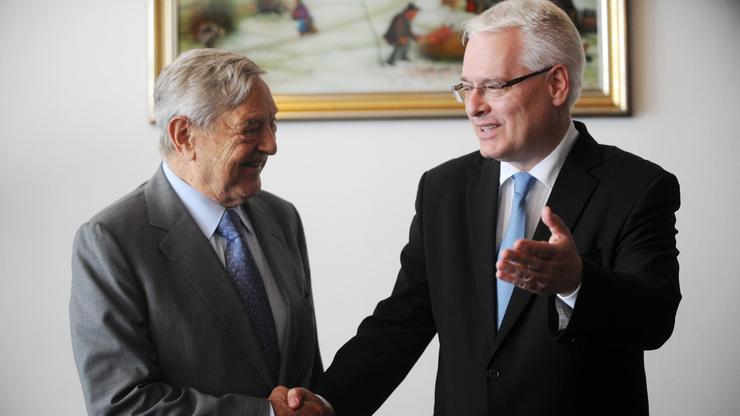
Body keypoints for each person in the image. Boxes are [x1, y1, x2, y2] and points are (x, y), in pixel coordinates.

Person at [284, 0, 681, 415]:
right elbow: (403, 319)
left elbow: (655, 318)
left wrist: (576, 281)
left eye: (493, 86)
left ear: (556, 84)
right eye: (466, 87)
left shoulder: (637, 186)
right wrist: (327, 401)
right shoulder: (443, 188)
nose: (473, 106)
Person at [70, 48, 322, 415]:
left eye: (273, 123)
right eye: (252, 127)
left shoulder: (282, 218)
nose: (271, 145)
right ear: (184, 135)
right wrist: (265, 414)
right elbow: (122, 404)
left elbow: (306, 370)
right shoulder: (111, 241)